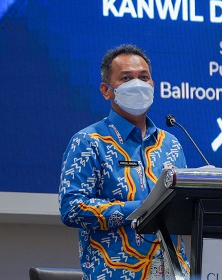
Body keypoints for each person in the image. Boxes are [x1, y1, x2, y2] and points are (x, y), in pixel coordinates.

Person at [59, 44, 189, 279]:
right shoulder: (88, 142)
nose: (137, 84)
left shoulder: (171, 144)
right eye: (126, 78)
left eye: (143, 77)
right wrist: (141, 209)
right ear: (106, 90)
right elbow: (73, 208)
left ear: (153, 85)